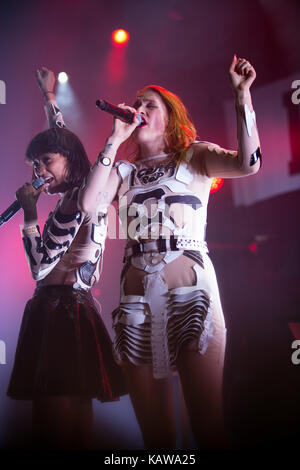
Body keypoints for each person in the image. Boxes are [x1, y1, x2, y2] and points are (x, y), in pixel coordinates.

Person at [79, 54, 262, 449]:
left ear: (170, 117)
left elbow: (249, 164)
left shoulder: (195, 156)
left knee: (207, 426)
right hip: (135, 305)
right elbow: (89, 204)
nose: (139, 109)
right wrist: (114, 138)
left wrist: (241, 97)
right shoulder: (124, 172)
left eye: (150, 105)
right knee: (157, 438)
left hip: (191, 295)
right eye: (137, 103)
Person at [7, 70, 126, 449]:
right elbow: (62, 141)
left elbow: (39, 267)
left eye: (43, 162)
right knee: (76, 416)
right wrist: (48, 97)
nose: (37, 171)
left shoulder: (71, 204)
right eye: (33, 165)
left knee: (54, 425)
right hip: (76, 311)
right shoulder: (83, 189)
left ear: (68, 161)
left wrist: (28, 214)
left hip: (58, 312)